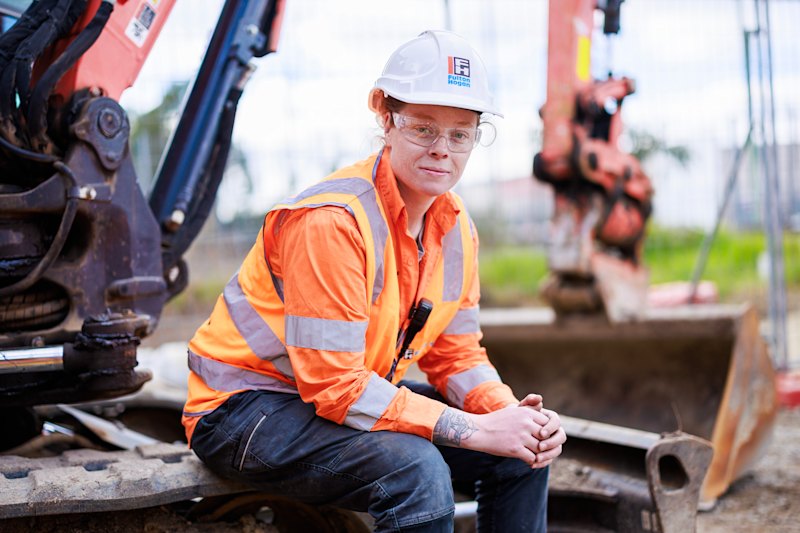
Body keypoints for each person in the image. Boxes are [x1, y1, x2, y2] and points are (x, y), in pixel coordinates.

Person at [183, 29, 566, 532]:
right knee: (416, 469)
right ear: (384, 116)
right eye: (423, 129)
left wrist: (510, 417)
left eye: (460, 135)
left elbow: (456, 355)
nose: (442, 150)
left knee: (519, 452)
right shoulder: (333, 220)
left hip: (336, 398)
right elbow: (335, 384)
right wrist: (476, 430)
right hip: (245, 411)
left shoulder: (456, 229)